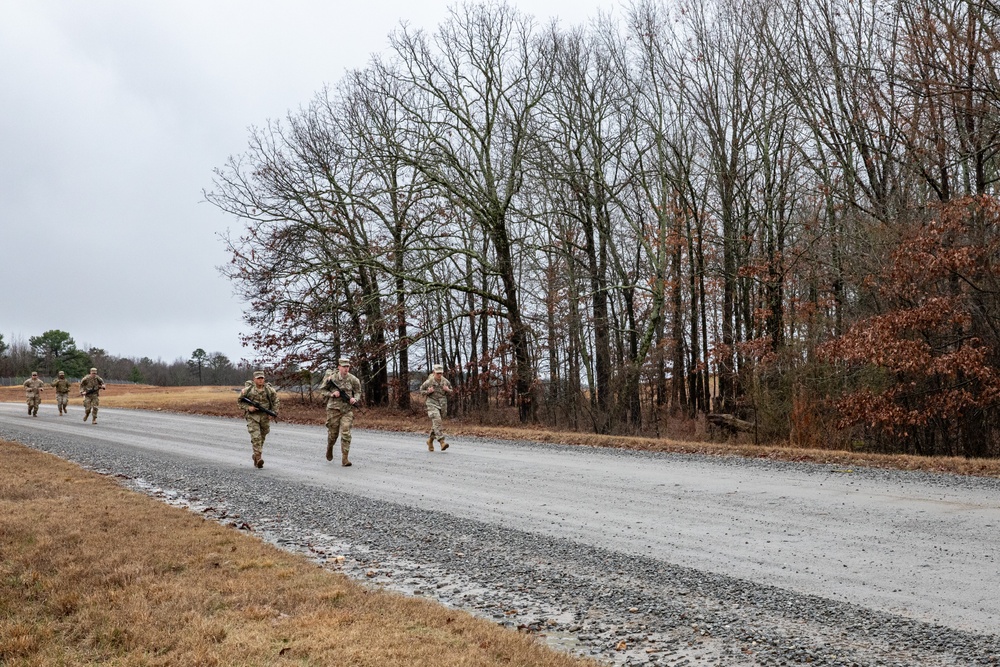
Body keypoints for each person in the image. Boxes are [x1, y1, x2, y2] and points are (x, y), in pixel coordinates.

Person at [320, 357, 362, 467]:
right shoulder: (331, 378)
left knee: (346, 433)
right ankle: (330, 446)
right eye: (344, 366)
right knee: (333, 434)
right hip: (333, 410)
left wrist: (355, 399)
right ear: (339, 367)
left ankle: (345, 458)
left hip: (347, 410)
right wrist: (332, 394)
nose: (346, 369)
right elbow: (322, 390)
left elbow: (358, 391)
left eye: (347, 366)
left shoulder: (353, 379)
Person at [238, 369, 280, 469]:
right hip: (253, 416)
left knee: (262, 436)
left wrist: (273, 413)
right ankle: (259, 457)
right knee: (256, 437)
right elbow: (240, 402)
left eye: (262, 378)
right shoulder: (248, 390)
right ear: (254, 379)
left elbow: (276, 401)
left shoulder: (269, 390)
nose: (261, 380)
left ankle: (255, 456)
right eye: (258, 378)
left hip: (265, 416)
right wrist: (248, 408)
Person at [420, 363, 453, 451]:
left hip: (442, 405)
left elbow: (452, 390)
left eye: (441, 373)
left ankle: (430, 441)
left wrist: (447, 390)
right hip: (431, 403)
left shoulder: (445, 381)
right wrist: (428, 391)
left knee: (436, 423)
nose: (439, 375)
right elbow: (421, 390)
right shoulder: (429, 382)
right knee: (437, 420)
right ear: (434, 372)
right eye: (437, 373)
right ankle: (442, 442)